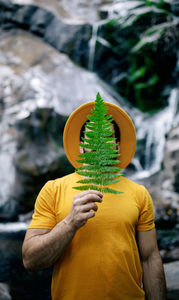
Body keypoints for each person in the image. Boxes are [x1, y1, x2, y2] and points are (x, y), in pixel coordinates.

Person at [22, 101, 166, 300]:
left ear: (116, 147)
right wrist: (70, 223)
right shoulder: (53, 190)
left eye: (107, 138)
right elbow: (30, 260)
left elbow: (150, 258)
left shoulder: (139, 193)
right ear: (81, 147)